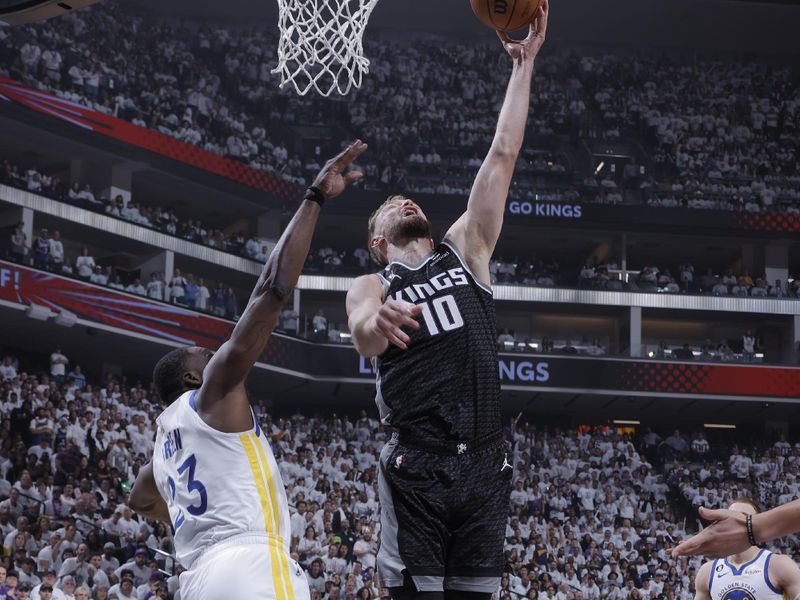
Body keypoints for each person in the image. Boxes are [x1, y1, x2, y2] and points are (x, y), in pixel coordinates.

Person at [345, 7, 548, 599]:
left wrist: (523, 67)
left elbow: (502, 154)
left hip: (488, 464)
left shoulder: (467, 249)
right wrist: (372, 321)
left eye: (408, 199)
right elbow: (360, 329)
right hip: (419, 467)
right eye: (391, 204)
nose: (404, 201)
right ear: (379, 241)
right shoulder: (375, 282)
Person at [127, 141, 367, 600]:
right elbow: (271, 291)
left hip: (197, 579)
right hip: (248, 564)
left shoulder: (161, 453)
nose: (213, 353)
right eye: (204, 354)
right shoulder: (212, 395)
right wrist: (314, 198)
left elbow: (137, 500)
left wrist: (183, 514)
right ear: (194, 378)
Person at [692, 498, 800, 599]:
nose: (735, 523)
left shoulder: (779, 565)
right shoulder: (707, 572)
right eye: (731, 517)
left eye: (744, 518)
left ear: (757, 527)